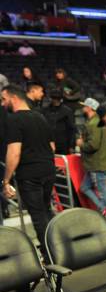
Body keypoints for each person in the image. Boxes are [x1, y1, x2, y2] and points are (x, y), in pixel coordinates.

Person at [1, 85, 55, 246]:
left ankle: (50, 254)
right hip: (48, 171)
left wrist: (6, 181)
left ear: (14, 98)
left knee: (38, 216)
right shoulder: (40, 117)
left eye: (4, 99)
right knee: (46, 211)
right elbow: (52, 147)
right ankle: (59, 246)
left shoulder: (13, 120)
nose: (2, 104)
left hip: (30, 175)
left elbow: (14, 153)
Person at [76, 98, 106, 218]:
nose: (83, 107)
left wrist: (80, 143)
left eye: (85, 105)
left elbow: (93, 145)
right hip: (100, 161)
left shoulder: (93, 123)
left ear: (89, 108)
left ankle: (105, 210)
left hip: (96, 163)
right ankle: (104, 209)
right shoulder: (102, 121)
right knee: (84, 187)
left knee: (102, 190)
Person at [43, 91, 76, 155]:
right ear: (51, 99)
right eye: (53, 98)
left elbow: (72, 129)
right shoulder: (45, 111)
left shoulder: (67, 111)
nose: (55, 100)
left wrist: (71, 146)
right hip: (48, 143)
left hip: (63, 144)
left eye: (57, 98)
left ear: (60, 99)